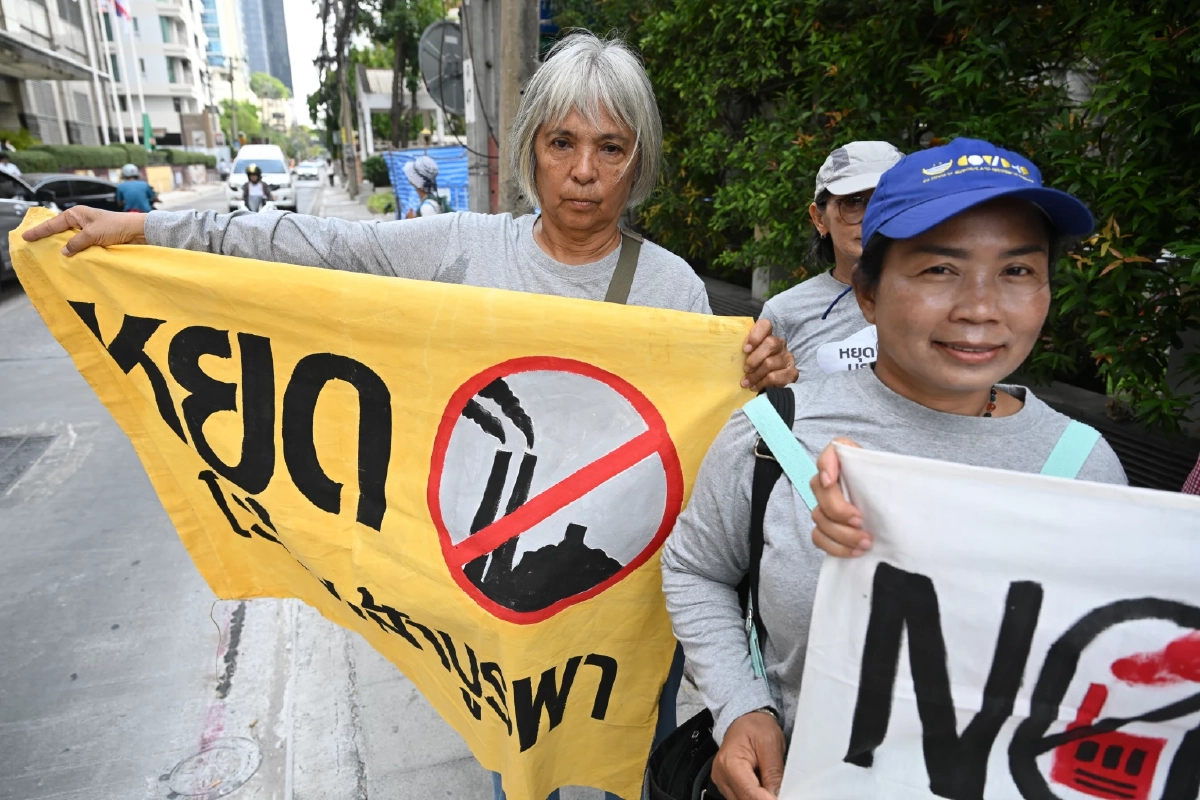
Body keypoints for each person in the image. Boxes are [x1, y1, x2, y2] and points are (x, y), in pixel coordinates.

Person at [23, 30, 797, 800]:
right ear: (531, 149)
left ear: (641, 161)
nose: (585, 173)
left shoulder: (673, 292)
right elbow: (314, 248)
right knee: (517, 774)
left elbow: (721, 463)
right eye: (562, 142)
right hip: (501, 608)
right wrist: (153, 231)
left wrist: (767, 389)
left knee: (637, 764)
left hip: (618, 619)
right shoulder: (461, 251)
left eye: (611, 148)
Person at [661, 137, 1128, 800]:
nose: (980, 308)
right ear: (869, 294)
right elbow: (695, 568)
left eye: (1018, 271)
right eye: (940, 269)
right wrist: (742, 707)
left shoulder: (1083, 471)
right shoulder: (774, 437)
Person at [760, 141, 902, 378]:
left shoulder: (949, 298)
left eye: (887, 200)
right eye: (853, 202)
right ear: (819, 219)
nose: (871, 219)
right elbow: (755, 404)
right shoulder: (784, 313)